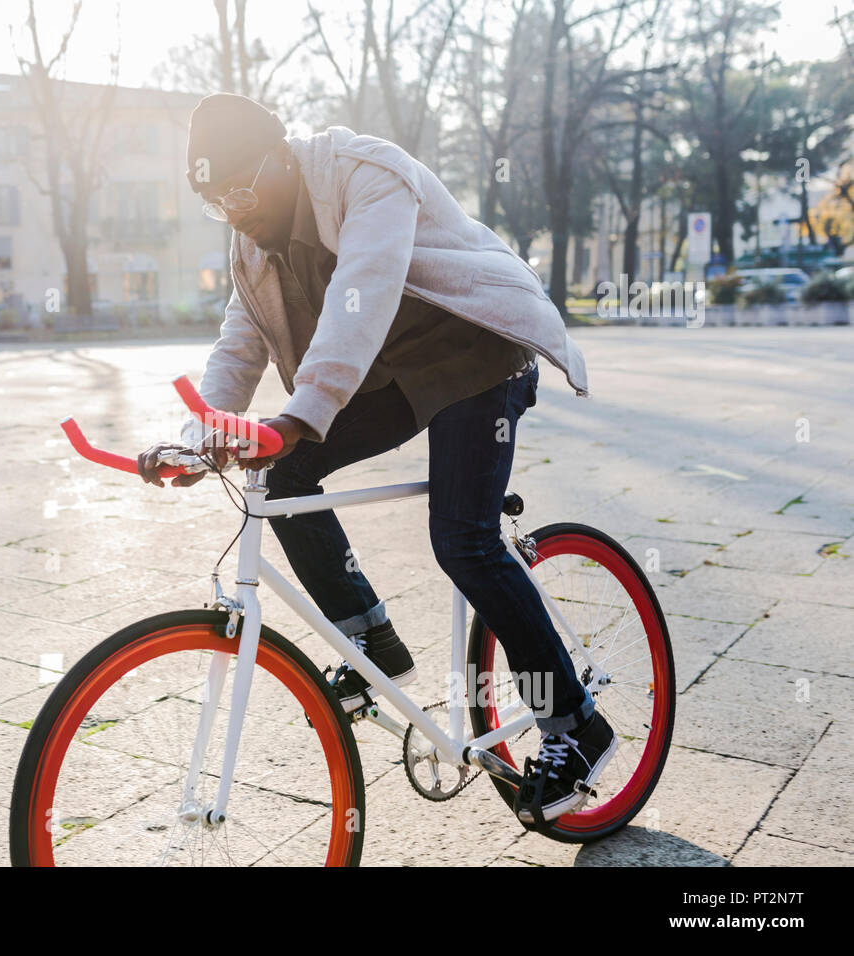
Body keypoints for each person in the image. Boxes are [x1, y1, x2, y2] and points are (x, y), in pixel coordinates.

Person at [136, 92, 613, 825]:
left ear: (281, 154)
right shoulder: (249, 238)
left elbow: (363, 291)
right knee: (283, 472)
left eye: (239, 189)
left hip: (477, 352)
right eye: (214, 202)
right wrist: (201, 436)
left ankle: (575, 722)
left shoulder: (364, 174)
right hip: (390, 376)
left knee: (463, 539)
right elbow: (241, 339)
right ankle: (373, 644)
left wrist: (301, 412)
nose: (233, 211)